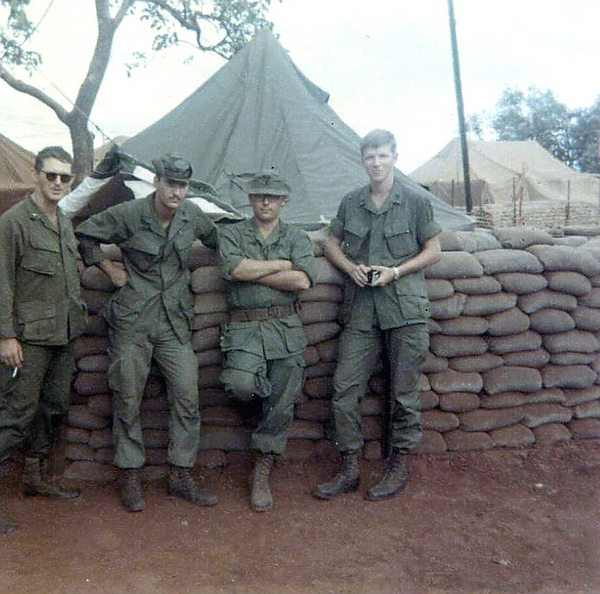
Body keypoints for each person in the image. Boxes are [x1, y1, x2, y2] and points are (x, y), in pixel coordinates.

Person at [75, 154, 219, 512]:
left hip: (174, 322)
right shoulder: (129, 214)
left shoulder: (193, 216)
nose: (176, 191)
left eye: (182, 185)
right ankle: (130, 474)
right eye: (170, 183)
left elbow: (222, 242)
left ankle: (180, 474)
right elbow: (84, 234)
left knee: (187, 395)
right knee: (127, 396)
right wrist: (110, 270)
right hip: (133, 320)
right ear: (157, 181)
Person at [313, 129, 442, 502]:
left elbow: (434, 251)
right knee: (344, 389)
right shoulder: (351, 202)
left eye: (383, 156)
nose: (376, 163)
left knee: (403, 394)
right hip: (361, 309)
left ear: (395, 157)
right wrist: (349, 267)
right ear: (362, 160)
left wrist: (396, 271)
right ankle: (350, 467)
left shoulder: (416, 201)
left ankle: (398, 466)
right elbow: (330, 243)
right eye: (370, 157)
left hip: (405, 307)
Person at [218, 172, 317, 512]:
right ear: (250, 199)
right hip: (244, 328)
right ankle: (259, 414)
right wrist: (278, 266)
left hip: (284, 328)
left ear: (283, 201)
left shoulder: (297, 237)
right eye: (259, 195)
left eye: (272, 197)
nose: (265, 202)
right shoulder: (231, 234)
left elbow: (302, 279)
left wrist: (255, 269)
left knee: (282, 397)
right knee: (239, 385)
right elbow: (234, 270)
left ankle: (262, 465)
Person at [0, 146, 86, 534]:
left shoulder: (64, 221)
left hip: (62, 335)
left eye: (63, 177)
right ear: (35, 174)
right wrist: (6, 336)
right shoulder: (14, 222)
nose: (56, 182)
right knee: (16, 415)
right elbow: (1, 283)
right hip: (29, 338)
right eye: (50, 175)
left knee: (52, 407)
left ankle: (35, 476)